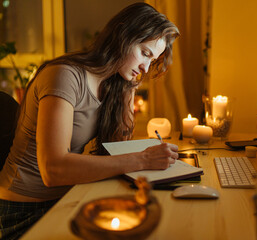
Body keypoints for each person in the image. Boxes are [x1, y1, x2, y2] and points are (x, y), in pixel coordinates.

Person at [0, 3, 180, 239]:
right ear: (122, 37)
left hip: (68, 199)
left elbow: (117, 149)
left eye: (153, 59)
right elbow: (53, 170)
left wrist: (129, 87)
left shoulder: (114, 83)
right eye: (145, 53)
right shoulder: (65, 75)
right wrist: (143, 158)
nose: (146, 68)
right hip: (22, 213)